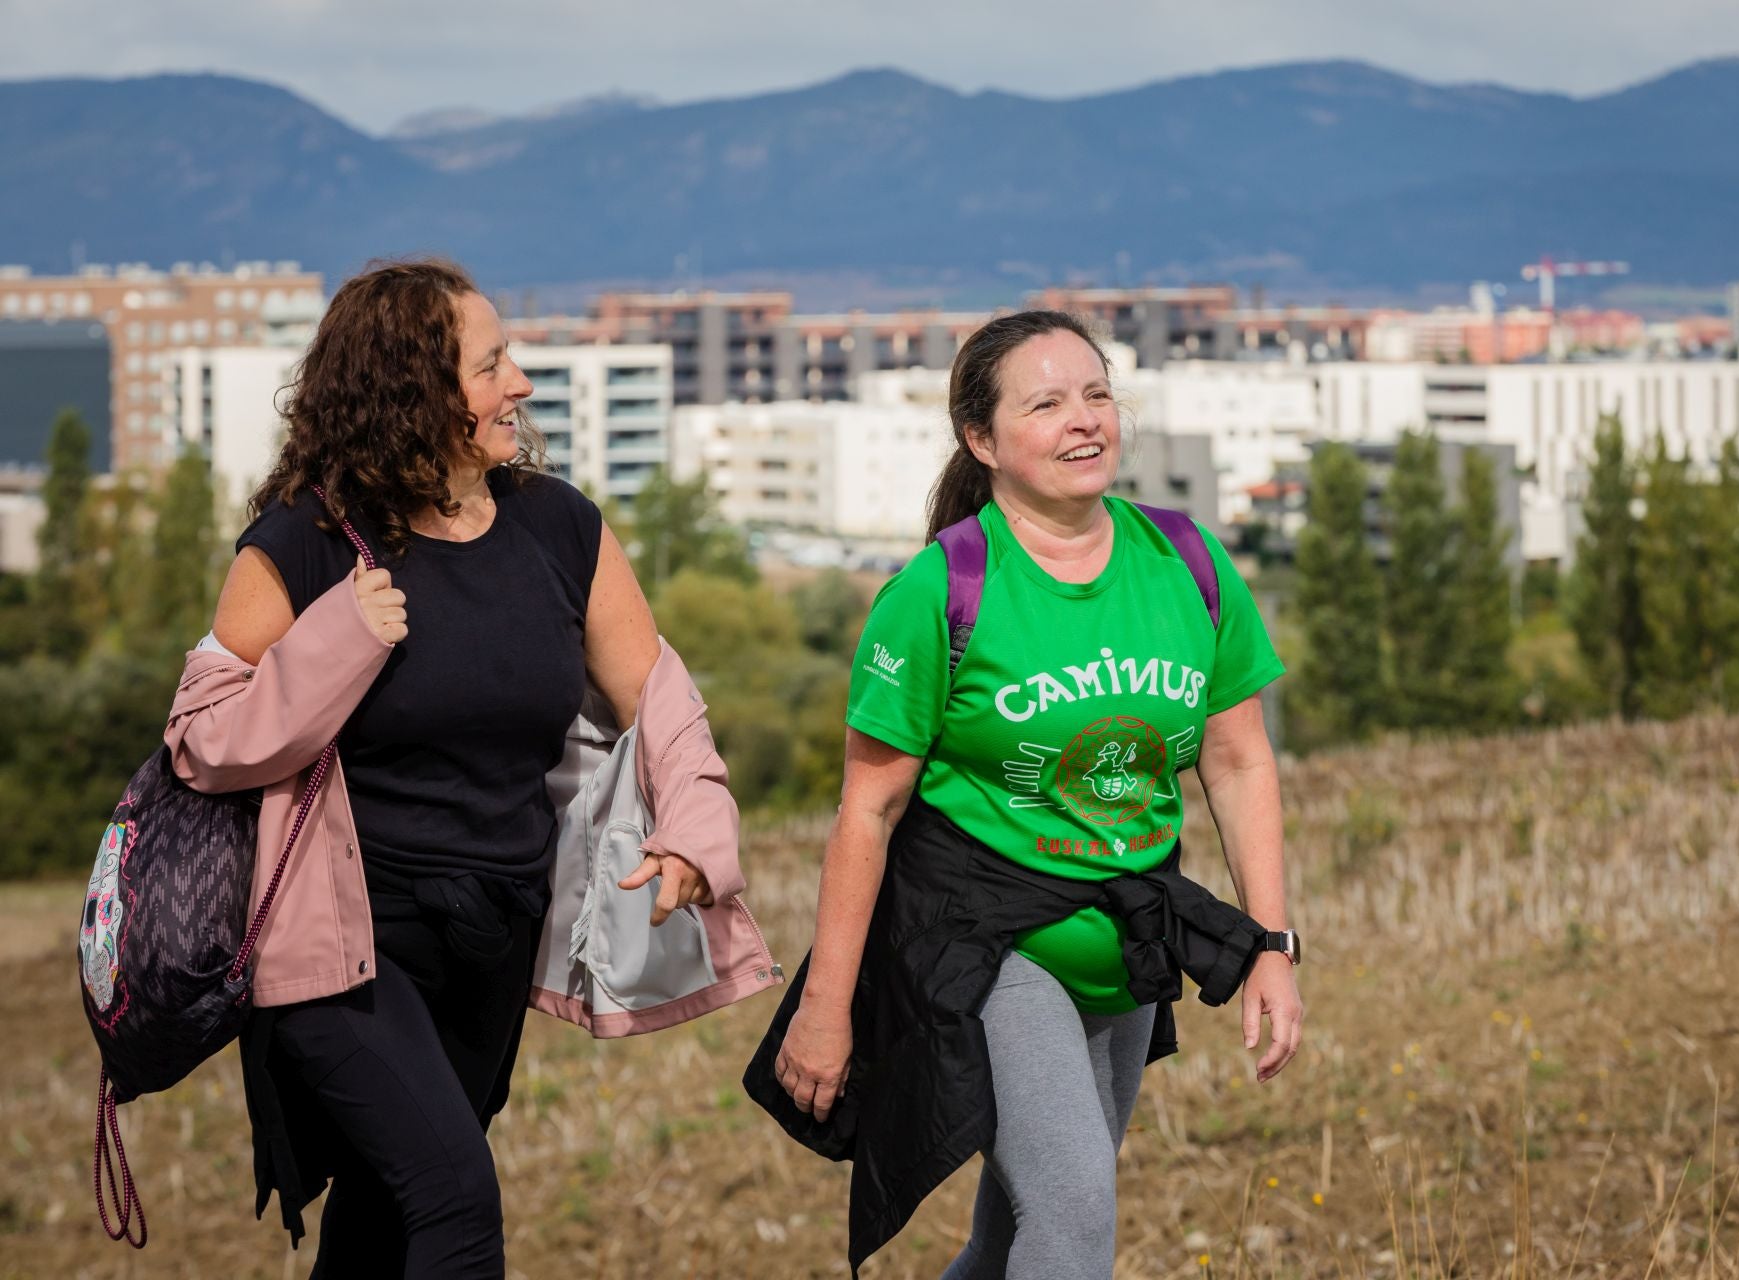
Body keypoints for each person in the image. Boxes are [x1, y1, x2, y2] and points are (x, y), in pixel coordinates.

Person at [749, 310, 1305, 1278]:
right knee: (1078, 1211)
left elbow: (1239, 760)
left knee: (1018, 1231)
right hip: (982, 937)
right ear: (983, 439)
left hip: (1126, 932)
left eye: (1096, 394)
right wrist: (826, 1006)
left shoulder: (1192, 564)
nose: (1083, 420)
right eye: (1046, 403)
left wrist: (1271, 942)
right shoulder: (938, 590)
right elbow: (868, 811)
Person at [189, 259, 717, 1275]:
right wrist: (336, 638)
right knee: (455, 1201)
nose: (519, 380)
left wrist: (692, 824)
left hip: (491, 934)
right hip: (341, 945)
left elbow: (660, 702)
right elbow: (202, 734)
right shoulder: (302, 546)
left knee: (388, 1217)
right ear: (412, 389)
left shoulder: (556, 525)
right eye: (491, 364)